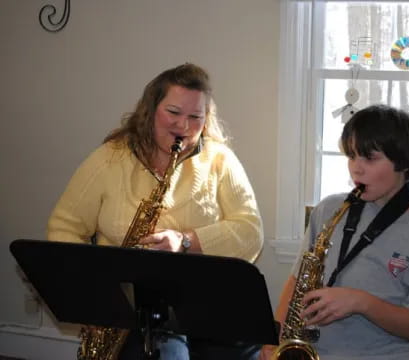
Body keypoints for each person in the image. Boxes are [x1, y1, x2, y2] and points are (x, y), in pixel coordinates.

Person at [47, 63, 264, 359]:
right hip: (135, 310)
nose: (184, 127)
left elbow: (251, 232)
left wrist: (186, 241)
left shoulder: (220, 159)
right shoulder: (109, 159)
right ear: (150, 110)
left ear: (206, 119)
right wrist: (94, 297)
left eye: (195, 117)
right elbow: (64, 227)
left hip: (205, 302)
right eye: (173, 113)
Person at [260, 104, 409, 360]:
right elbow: (297, 281)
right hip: (315, 350)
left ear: (405, 163)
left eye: (370, 158)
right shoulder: (329, 209)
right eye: (352, 156)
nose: (356, 168)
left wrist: (361, 303)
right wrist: (273, 337)